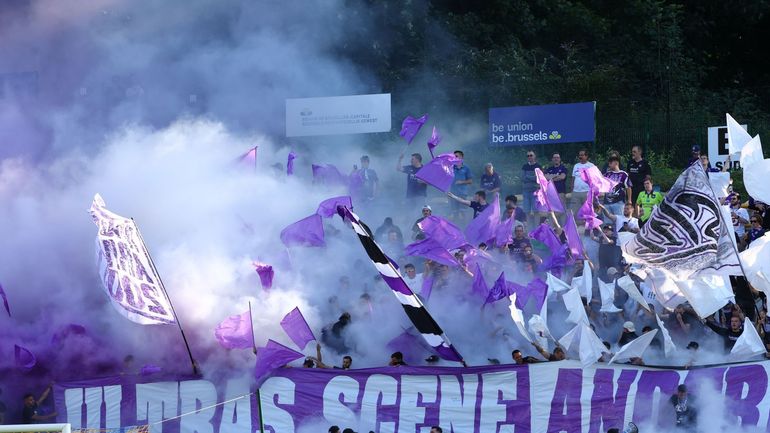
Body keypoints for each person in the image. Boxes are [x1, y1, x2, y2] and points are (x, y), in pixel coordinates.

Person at [571, 149, 596, 215]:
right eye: (579, 155)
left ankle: (589, 225)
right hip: (576, 192)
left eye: (582, 155)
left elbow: (596, 179)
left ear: (586, 156)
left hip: (587, 192)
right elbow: (573, 178)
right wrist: (572, 190)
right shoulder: (576, 166)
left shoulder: (591, 166)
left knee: (588, 211)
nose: (580, 157)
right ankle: (574, 225)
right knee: (573, 211)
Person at [450, 150, 473, 218]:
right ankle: (455, 227)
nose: (454, 158)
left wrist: (461, 182)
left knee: (463, 212)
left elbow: (470, 181)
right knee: (454, 213)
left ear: (461, 157)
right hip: (453, 193)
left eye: (456, 156)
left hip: (462, 193)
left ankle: (464, 227)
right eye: (454, 156)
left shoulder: (466, 168)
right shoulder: (451, 167)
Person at [521, 150, 542, 221]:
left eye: (531, 155)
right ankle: (529, 229)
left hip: (535, 192)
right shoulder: (524, 166)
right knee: (527, 212)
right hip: (526, 192)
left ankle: (537, 228)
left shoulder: (538, 166)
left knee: (536, 211)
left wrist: (528, 176)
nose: (529, 157)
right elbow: (522, 178)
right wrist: (533, 177)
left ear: (534, 156)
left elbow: (538, 179)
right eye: (528, 156)